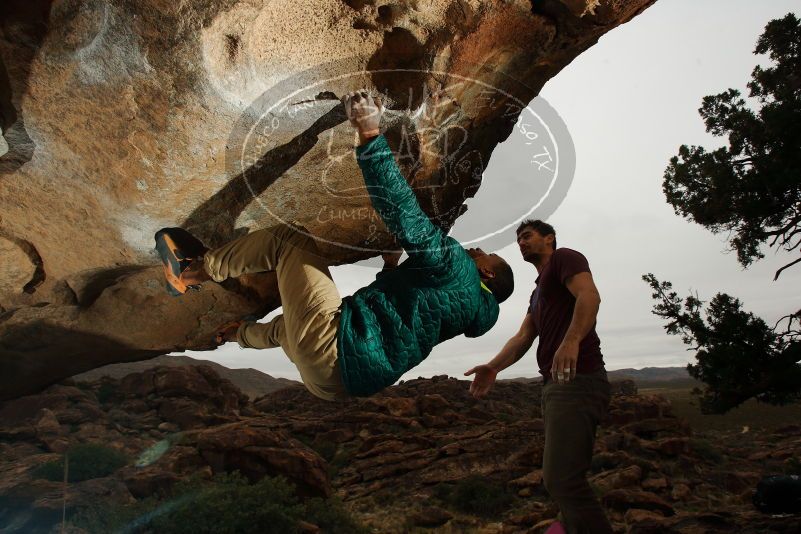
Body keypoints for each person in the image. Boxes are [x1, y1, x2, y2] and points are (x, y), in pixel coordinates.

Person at [154, 90, 514, 401]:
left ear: (486, 272)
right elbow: (409, 318)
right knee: (292, 327)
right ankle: (238, 335)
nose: (474, 251)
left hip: (338, 347)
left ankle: (191, 271)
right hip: (335, 384)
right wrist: (391, 268)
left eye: (482, 254)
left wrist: (370, 133)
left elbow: (405, 216)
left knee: (288, 240)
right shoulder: (469, 310)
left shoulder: (459, 270)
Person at [465, 220, 612, 534]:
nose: (521, 242)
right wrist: (493, 367)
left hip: (579, 379)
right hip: (555, 386)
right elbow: (522, 338)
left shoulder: (564, 259)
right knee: (561, 477)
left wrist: (571, 340)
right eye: (518, 238)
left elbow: (589, 296)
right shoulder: (538, 291)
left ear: (550, 239)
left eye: (527, 236)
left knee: (562, 478)